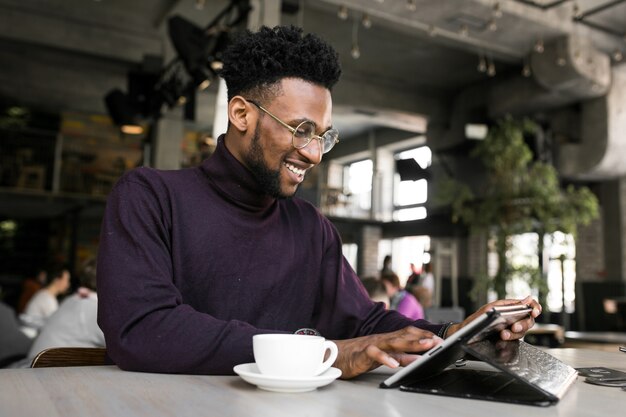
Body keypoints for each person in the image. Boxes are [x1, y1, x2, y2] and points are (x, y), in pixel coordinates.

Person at [97, 25, 541, 379]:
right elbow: (142, 329)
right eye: (300, 129)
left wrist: (456, 334)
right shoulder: (150, 195)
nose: (312, 153)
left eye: (323, 136)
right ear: (241, 114)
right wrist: (324, 353)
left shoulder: (310, 227)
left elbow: (364, 325)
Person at [9, 258, 104, 368]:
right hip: (43, 374)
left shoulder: (73, 300)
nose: (67, 284)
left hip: (31, 368)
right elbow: (124, 345)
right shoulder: (91, 308)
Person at [20, 265, 71, 336]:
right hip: (30, 339)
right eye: (66, 280)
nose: (68, 284)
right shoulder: (47, 299)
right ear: (57, 280)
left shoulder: (44, 294)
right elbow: (57, 326)